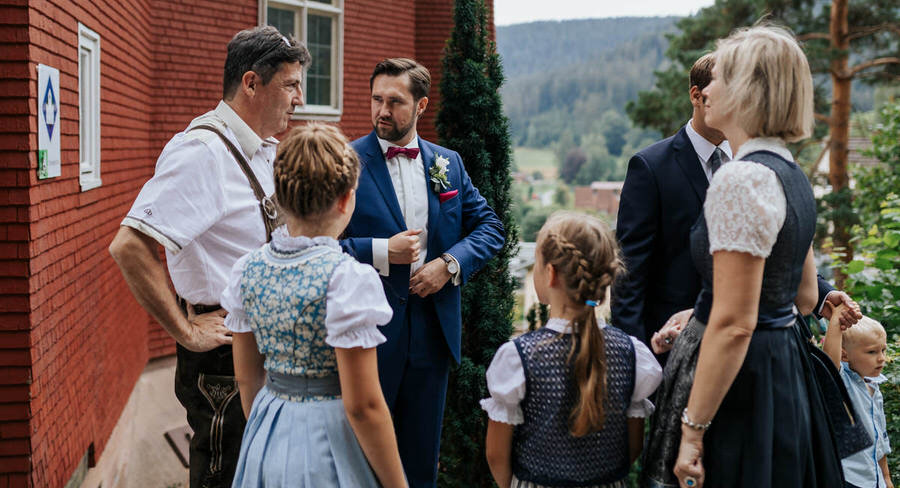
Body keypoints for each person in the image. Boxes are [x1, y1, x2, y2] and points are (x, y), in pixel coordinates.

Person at [643, 23, 844, 488]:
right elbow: (804, 295)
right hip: (784, 371)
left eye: (721, 77)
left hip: (740, 385)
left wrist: (692, 433)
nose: (707, 87)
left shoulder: (740, 179)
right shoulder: (790, 171)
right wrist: (699, 312)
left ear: (749, 91)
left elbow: (735, 323)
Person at [108, 26, 309, 488]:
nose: (299, 99)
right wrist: (185, 329)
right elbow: (130, 245)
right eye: (290, 85)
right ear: (251, 83)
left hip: (264, 344)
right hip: (220, 360)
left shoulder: (259, 149)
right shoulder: (202, 152)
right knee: (223, 475)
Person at [340, 58, 505, 487]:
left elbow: (490, 228)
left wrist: (449, 265)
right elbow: (323, 246)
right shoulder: (345, 161)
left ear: (421, 106)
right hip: (369, 335)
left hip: (433, 334)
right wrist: (381, 251)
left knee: (421, 461)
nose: (382, 110)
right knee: (363, 462)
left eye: (395, 102)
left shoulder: (447, 164)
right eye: (377, 99)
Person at [221, 123, 407, 488]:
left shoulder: (248, 269)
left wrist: (268, 435)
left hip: (266, 426)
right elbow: (363, 407)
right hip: (328, 438)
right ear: (345, 200)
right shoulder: (346, 279)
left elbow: (247, 378)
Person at [482, 211, 662, 488]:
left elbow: (496, 455)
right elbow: (632, 446)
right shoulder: (631, 354)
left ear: (551, 273)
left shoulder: (518, 357)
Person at [611, 54, 732, 350]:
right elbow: (629, 273)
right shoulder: (650, 167)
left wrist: (822, 294)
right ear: (696, 95)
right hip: (670, 346)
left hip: (742, 344)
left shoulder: (753, 163)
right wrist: (636, 357)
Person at [823, 306, 893, 488]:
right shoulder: (842, 382)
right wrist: (836, 321)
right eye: (872, 352)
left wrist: (886, 478)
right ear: (844, 354)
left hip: (874, 479)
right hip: (850, 479)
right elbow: (829, 364)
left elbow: (880, 438)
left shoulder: (874, 386)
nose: (881, 358)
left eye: (883, 350)